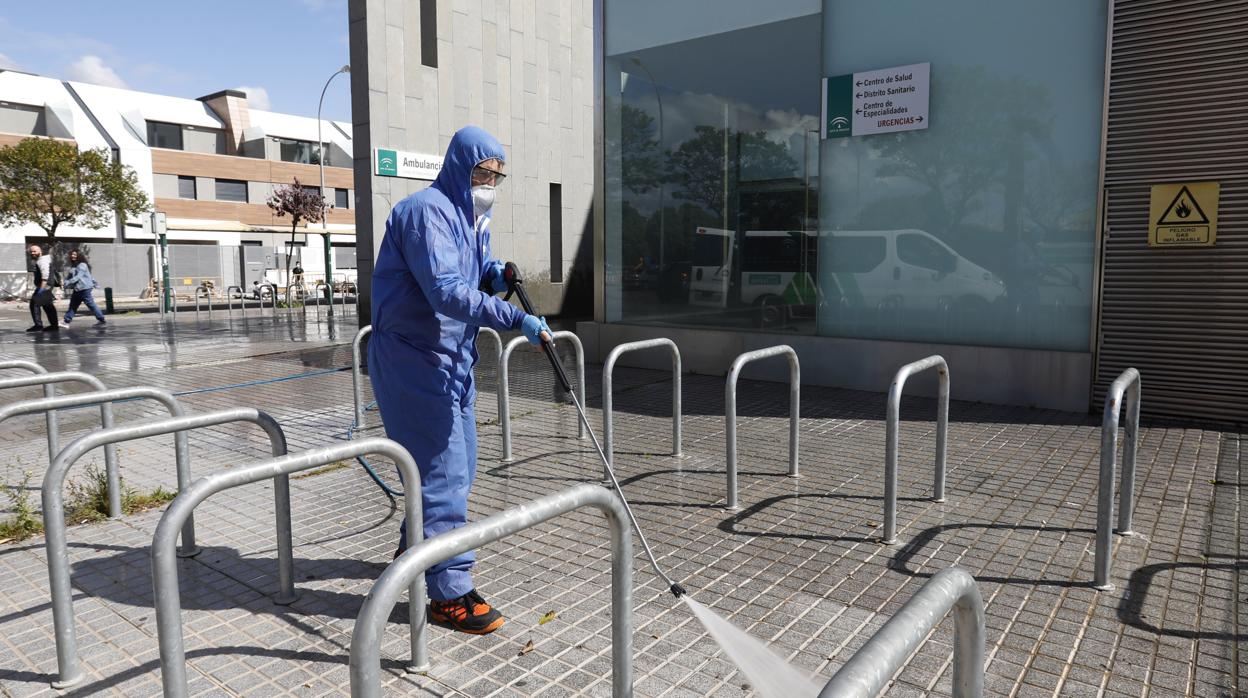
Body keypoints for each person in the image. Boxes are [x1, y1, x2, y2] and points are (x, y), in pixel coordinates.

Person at [369, 125, 550, 635]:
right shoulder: (425, 211)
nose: (489, 182)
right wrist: (515, 319)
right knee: (443, 470)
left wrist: (491, 272)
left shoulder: (471, 218)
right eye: (482, 172)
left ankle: (417, 551)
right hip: (415, 358)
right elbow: (445, 290)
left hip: (453, 358)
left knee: (461, 464)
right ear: (458, 168)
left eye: (496, 175)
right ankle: (448, 592)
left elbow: (465, 270)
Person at [59, 249, 106, 327]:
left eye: (74, 254)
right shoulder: (74, 265)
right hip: (78, 288)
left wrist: (68, 282)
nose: (72, 256)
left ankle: (101, 319)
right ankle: (66, 321)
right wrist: (64, 282)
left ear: (79, 255)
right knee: (74, 305)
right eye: (71, 254)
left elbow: (78, 277)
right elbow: (70, 276)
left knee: (90, 304)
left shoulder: (82, 265)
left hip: (84, 288)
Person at [25, 244, 58, 332]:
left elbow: (45, 276)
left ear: (40, 251)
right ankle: (54, 326)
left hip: (44, 285)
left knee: (34, 303)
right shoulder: (41, 260)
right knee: (48, 306)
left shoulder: (42, 261)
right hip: (46, 285)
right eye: (31, 252)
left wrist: (41, 289)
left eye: (34, 251)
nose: (32, 253)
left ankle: (38, 325)